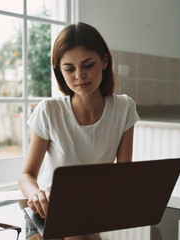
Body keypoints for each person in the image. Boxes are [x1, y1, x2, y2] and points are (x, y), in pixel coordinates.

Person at [19, 22, 140, 239]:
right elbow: (26, 175)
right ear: (60, 71)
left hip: (94, 214)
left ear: (104, 61)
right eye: (69, 69)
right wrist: (37, 194)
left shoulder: (124, 107)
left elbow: (124, 176)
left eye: (88, 65)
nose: (79, 76)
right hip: (50, 216)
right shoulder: (49, 111)